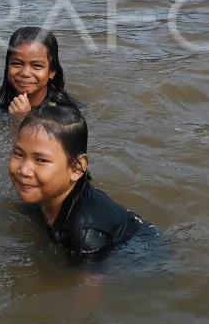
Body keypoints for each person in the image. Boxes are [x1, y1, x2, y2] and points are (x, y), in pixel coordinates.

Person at [9, 102, 154, 261]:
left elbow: (87, 277)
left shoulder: (85, 236)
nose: (24, 170)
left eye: (41, 160)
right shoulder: (44, 194)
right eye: (19, 154)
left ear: (76, 168)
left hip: (142, 253)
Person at [0, 27, 76, 117]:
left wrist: (21, 118)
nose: (25, 73)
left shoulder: (65, 111)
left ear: (52, 72)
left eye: (37, 66)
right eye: (17, 64)